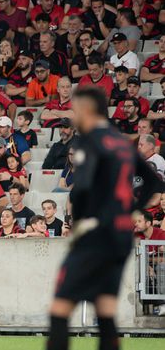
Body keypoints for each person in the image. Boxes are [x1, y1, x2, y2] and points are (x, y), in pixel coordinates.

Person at [46, 86, 163, 350]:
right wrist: (132, 210)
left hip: (96, 233)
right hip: (121, 235)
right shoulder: (121, 141)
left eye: (75, 110)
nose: (73, 116)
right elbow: (153, 181)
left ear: (87, 109)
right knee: (106, 310)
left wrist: (81, 222)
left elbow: (84, 187)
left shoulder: (90, 141)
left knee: (60, 307)